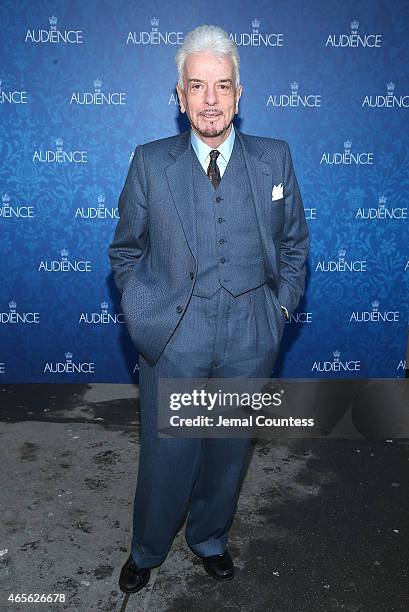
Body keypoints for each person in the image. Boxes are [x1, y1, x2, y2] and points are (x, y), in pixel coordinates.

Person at [108, 24, 309, 594]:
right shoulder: (149, 163)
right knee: (166, 454)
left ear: (239, 94)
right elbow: (125, 250)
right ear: (180, 96)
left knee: (226, 452)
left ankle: (209, 539)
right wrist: (146, 314)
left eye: (222, 86)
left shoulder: (274, 159)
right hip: (176, 332)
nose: (211, 99)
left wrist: (278, 312)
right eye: (198, 86)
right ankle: (147, 550)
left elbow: (294, 245)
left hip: (250, 328)